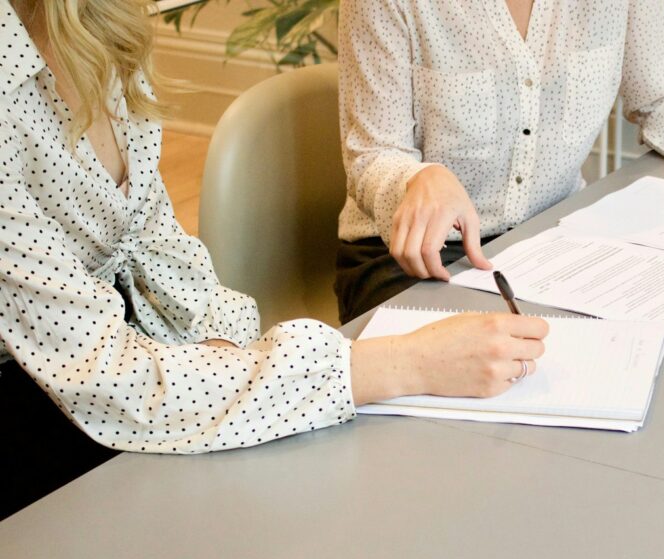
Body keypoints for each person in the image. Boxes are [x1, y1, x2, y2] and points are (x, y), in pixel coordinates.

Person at [0, 0, 548, 519]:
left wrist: (223, 359)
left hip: (131, 374)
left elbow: (161, 253)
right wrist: (407, 364)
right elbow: (110, 376)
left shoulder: (100, 30)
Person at [335, 0, 664, 321]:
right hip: (411, 259)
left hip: (551, 243)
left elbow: (663, 97)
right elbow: (373, 154)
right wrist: (418, 180)